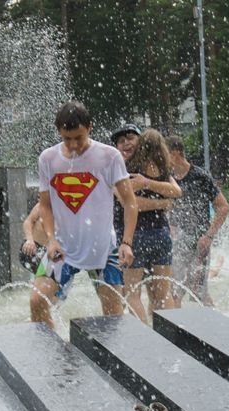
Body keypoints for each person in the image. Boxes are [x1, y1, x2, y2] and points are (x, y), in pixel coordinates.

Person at [29, 101, 138, 328]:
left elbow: (129, 201)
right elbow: (46, 205)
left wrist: (127, 242)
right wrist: (50, 239)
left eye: (78, 138)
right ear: (59, 131)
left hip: (104, 248)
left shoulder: (109, 156)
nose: (73, 145)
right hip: (63, 247)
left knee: (113, 317)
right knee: (37, 301)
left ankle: (110, 359)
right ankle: (53, 354)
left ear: (89, 127)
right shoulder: (48, 159)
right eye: (67, 138)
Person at [122, 129, 180, 324]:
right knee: (163, 294)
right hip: (162, 233)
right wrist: (163, 203)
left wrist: (145, 183)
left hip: (137, 234)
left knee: (132, 293)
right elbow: (175, 192)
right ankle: (170, 336)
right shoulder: (164, 170)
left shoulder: (132, 167)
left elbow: (130, 203)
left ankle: (144, 338)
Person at [167, 136, 229, 307]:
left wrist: (208, 237)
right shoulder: (168, 178)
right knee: (174, 290)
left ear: (175, 153)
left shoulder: (200, 176)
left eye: (165, 154)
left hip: (200, 243)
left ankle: (213, 325)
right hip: (177, 242)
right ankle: (175, 330)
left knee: (198, 292)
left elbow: (223, 207)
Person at [20, 202, 48, 274]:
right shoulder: (42, 205)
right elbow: (28, 221)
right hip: (34, 249)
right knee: (48, 277)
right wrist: (29, 239)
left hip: (52, 251)